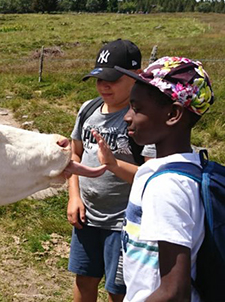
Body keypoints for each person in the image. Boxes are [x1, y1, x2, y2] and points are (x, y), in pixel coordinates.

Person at [99, 56, 214, 301]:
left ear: (173, 114)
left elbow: (174, 292)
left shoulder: (167, 186)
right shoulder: (185, 167)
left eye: (137, 109)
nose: (127, 117)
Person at [67, 39, 156, 302]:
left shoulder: (142, 118)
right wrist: (74, 196)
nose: (104, 85)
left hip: (124, 222)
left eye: (113, 79)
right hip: (87, 216)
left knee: (120, 290)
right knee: (84, 278)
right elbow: (75, 154)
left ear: (137, 76)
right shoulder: (88, 109)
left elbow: (151, 176)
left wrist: (114, 165)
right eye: (98, 78)